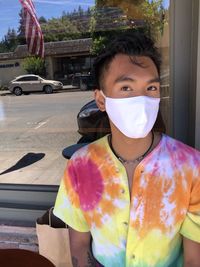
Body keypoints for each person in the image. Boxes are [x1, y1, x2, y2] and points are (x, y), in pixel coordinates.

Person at [53, 32, 200, 267]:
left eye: (151, 87)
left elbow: (194, 258)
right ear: (101, 100)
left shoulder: (192, 166)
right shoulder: (80, 166)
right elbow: (79, 246)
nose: (141, 99)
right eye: (126, 88)